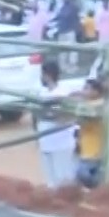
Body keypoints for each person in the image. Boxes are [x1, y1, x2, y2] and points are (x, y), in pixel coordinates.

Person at [33, 61, 78, 189]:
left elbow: (66, 116)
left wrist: (49, 114)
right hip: (45, 140)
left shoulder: (63, 92)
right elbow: (37, 115)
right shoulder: (41, 92)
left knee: (63, 176)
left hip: (61, 142)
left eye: (43, 74)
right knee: (50, 179)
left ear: (48, 75)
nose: (41, 77)